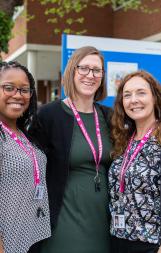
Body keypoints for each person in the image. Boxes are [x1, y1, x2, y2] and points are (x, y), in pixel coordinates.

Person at [29, 46, 112, 253]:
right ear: (72, 72)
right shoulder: (49, 115)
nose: (90, 75)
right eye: (83, 68)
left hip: (103, 221)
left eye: (96, 70)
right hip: (64, 220)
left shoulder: (110, 117)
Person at [109, 70, 161, 253]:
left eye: (141, 92)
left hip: (155, 246)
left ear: (155, 98)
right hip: (117, 243)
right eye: (127, 95)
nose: (133, 100)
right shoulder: (123, 141)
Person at [0, 61, 51, 253]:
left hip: (31, 237)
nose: (17, 95)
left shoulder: (23, 133)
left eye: (24, 90)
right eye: (9, 88)